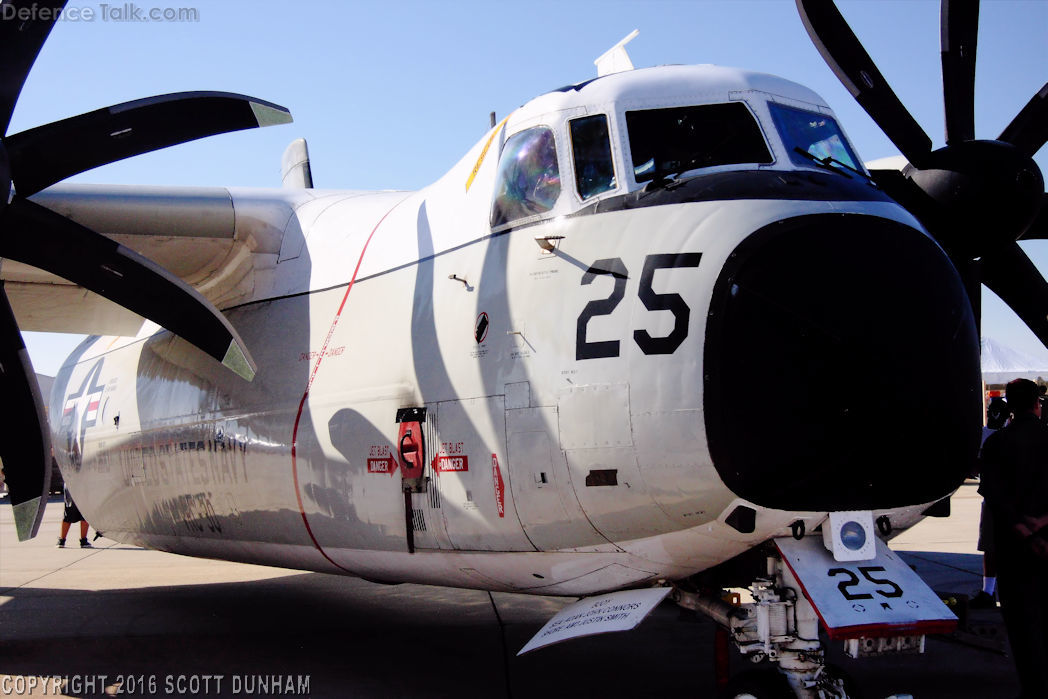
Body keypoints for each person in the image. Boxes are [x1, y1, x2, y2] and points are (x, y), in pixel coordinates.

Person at [978, 379, 1048, 698]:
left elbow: (993, 494)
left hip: (1013, 547)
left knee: (1022, 626)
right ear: (1037, 404)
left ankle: (1032, 687)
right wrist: (1041, 523)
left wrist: (1021, 528)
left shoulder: (996, 443)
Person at [971, 397, 1010, 609]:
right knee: (995, 547)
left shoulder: (986, 436)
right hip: (1007, 500)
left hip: (995, 499)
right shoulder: (1006, 435)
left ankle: (988, 590)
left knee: (991, 546)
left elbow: (975, 468)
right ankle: (989, 591)